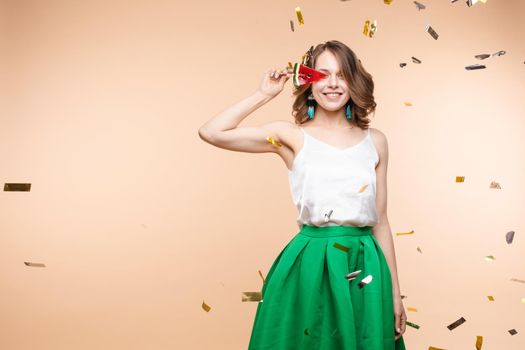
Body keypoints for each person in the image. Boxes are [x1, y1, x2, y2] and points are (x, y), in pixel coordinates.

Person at [198, 40, 407, 350]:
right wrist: (264, 95)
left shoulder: (376, 141)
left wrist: (394, 293)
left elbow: (381, 221)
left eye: (342, 75)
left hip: (366, 266)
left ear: (354, 81)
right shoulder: (290, 136)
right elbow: (212, 132)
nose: (333, 84)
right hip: (311, 261)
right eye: (322, 75)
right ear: (309, 83)